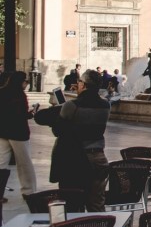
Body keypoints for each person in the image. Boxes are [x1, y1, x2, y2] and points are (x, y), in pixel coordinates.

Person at [35, 69, 110, 211]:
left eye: (79, 81)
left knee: (74, 203)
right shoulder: (106, 105)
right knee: (97, 202)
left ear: (84, 84)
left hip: (75, 159)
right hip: (98, 157)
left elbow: (58, 130)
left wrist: (61, 108)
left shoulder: (72, 106)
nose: (77, 83)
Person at [0, 71, 38, 197]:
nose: (27, 84)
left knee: (1, 163)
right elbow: (21, 114)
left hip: (3, 132)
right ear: (19, 82)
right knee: (24, 163)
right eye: (25, 81)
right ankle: (29, 191)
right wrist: (31, 113)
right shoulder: (20, 95)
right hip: (18, 133)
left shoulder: (2, 91)